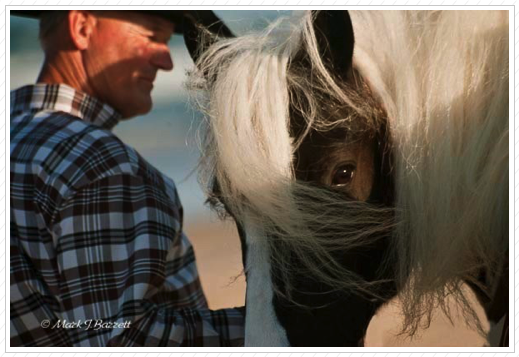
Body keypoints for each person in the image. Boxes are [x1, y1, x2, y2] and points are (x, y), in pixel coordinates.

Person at [9, 9, 244, 347]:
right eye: (151, 37)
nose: (166, 61)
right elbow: (120, 338)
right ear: (82, 27)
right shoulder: (100, 162)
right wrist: (272, 325)